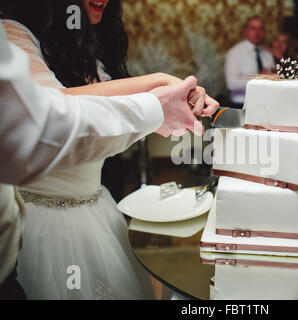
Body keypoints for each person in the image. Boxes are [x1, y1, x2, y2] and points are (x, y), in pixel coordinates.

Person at [0, 0, 219, 299]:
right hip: (42, 226)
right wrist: (155, 86)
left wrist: (161, 109)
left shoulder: (89, 49)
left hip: (97, 212)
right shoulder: (11, 33)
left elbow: (101, 125)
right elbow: (52, 109)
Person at [224, 16, 275, 108]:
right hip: (241, 104)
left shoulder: (267, 54)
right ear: (245, 31)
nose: (257, 32)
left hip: (265, 104)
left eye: (261, 29)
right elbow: (231, 84)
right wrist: (258, 79)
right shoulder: (235, 53)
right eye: (253, 28)